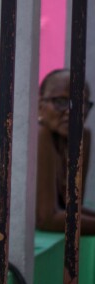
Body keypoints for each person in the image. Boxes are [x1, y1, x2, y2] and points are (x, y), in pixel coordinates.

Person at [36, 68, 95, 235]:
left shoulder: (75, 137)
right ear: (40, 106)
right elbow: (46, 219)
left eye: (80, 104)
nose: (71, 111)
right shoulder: (41, 134)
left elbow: (73, 204)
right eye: (61, 102)